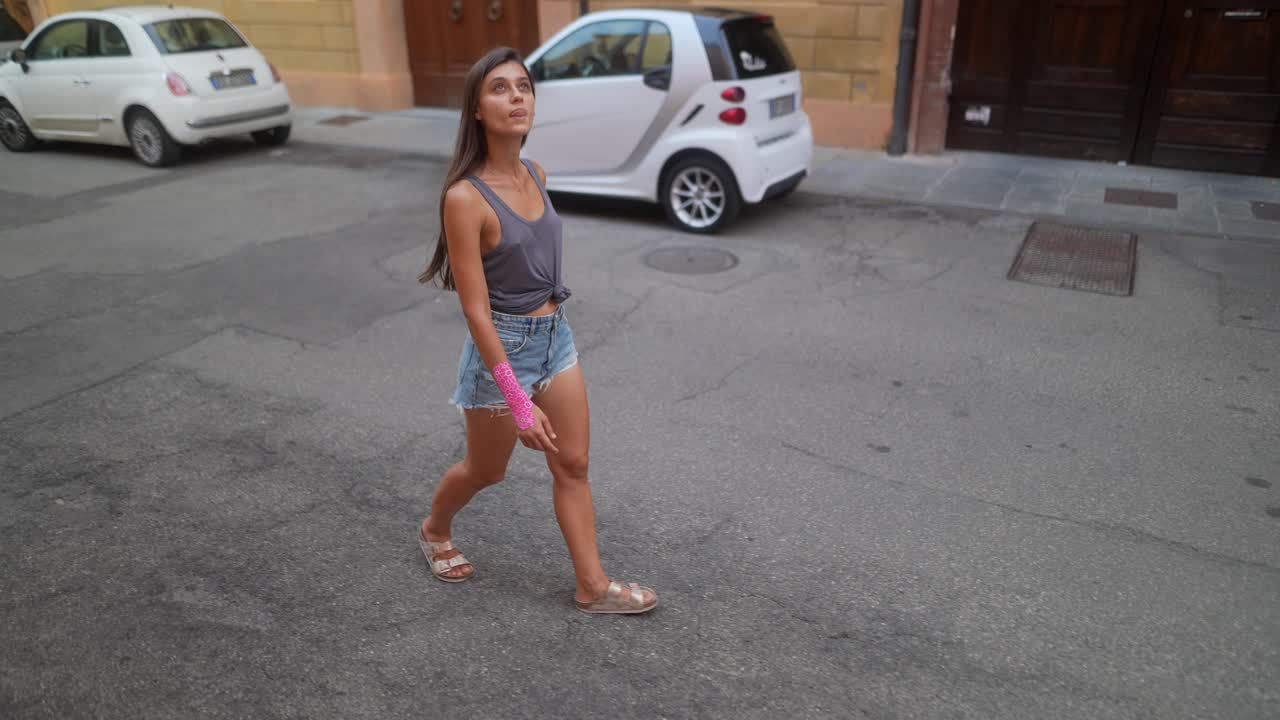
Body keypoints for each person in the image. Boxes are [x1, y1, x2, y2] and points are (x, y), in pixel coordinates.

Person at [416, 47, 658, 615]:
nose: (517, 96)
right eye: (499, 88)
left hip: (556, 338)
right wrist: (519, 402)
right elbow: (475, 311)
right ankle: (433, 530)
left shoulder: (535, 173)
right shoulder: (464, 198)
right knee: (487, 470)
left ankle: (593, 587)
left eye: (523, 86)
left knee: (573, 464)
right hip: (503, 348)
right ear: (476, 109)